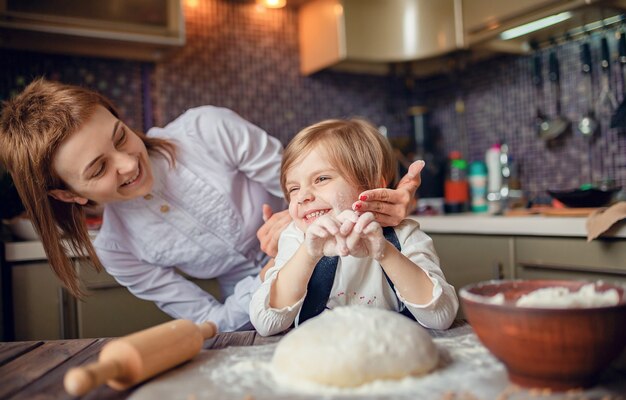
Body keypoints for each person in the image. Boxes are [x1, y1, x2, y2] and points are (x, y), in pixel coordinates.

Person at [0, 79, 423, 332]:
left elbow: (315, 177)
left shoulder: (208, 129)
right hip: (258, 313)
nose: (129, 163)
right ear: (69, 194)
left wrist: (374, 202)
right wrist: (265, 279)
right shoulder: (118, 249)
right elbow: (209, 319)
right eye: (98, 169)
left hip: (353, 269)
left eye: (120, 136)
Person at [250, 119, 458, 336]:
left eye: (321, 178)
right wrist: (308, 254)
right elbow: (266, 324)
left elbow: (441, 316)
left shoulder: (404, 235)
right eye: (293, 188)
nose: (302, 196)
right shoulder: (296, 238)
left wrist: (385, 252)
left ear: (372, 184)